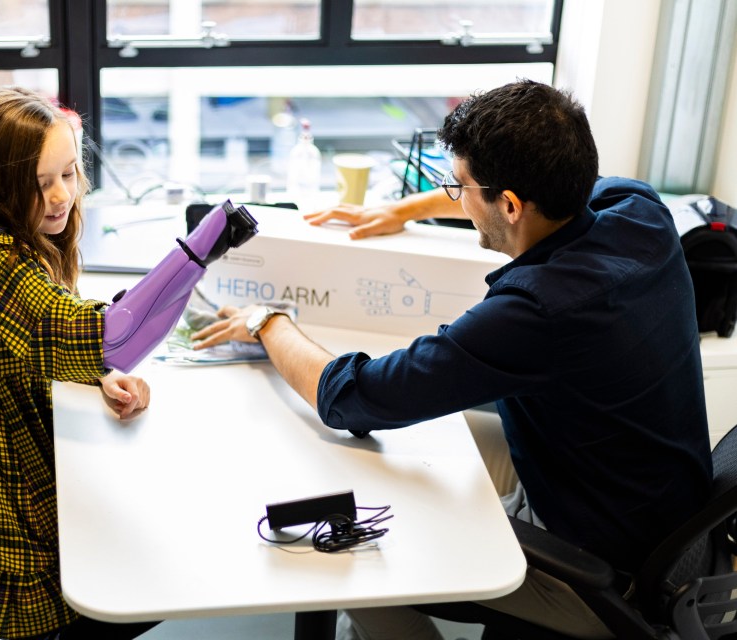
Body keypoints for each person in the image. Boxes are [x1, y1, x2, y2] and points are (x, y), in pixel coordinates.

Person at [191, 80, 713, 639]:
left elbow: (351, 397)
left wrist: (267, 320)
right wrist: (407, 208)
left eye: (458, 186)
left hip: (608, 576)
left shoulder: (536, 312)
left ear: (509, 204)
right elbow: (528, 193)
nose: (453, 195)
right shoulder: (637, 210)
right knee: (408, 451)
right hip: (663, 519)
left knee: (341, 544)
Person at [0, 87, 157, 640]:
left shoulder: (23, 237)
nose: (62, 195)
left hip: (9, 423)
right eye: (42, 183)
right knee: (103, 568)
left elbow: (43, 330)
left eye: (68, 173)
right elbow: (57, 325)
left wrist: (102, 372)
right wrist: (177, 280)